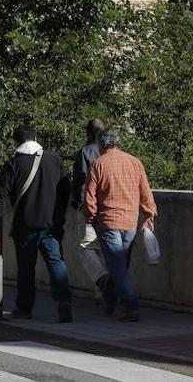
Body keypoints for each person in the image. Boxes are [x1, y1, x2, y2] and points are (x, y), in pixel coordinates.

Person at [0, 125, 72, 322]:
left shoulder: (14, 164)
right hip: (51, 223)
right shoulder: (54, 159)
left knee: (26, 267)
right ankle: (63, 301)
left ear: (16, 142)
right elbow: (65, 189)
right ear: (36, 137)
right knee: (56, 261)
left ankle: (25, 308)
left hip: (25, 225)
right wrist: (59, 216)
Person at [83, 127, 156, 321]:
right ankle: (111, 303)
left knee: (117, 267)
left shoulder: (98, 164)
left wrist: (91, 218)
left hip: (108, 222)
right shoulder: (134, 162)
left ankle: (131, 306)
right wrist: (149, 214)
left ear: (101, 144)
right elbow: (145, 192)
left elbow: (89, 198)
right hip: (130, 222)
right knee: (120, 265)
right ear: (117, 142)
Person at [72, 118, 110, 304]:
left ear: (89, 133)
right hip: (111, 208)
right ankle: (103, 293)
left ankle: (102, 280)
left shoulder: (86, 152)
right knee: (106, 250)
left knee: (86, 247)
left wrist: (79, 204)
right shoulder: (114, 153)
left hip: (90, 208)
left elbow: (80, 181)